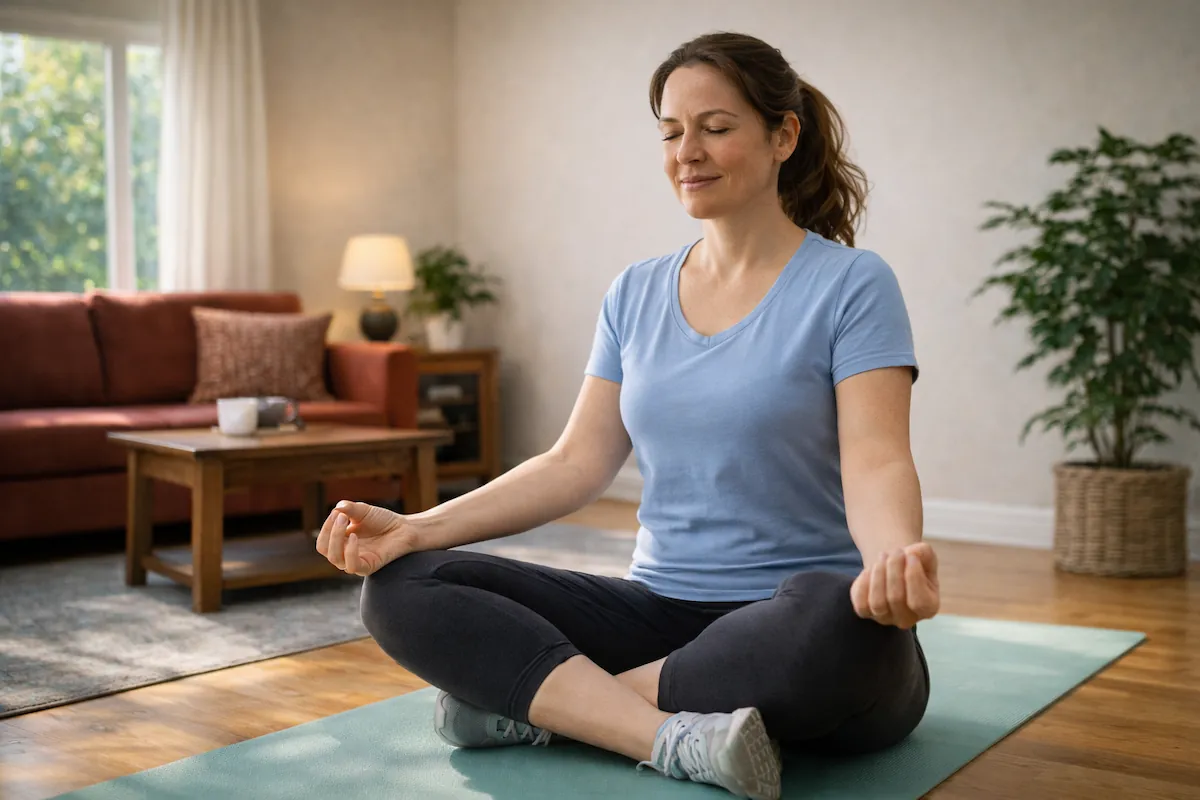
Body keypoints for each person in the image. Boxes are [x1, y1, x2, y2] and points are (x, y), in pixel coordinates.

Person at [316, 30, 938, 800]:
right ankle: (665, 736)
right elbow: (574, 462)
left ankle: (557, 709)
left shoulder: (852, 284)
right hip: (658, 611)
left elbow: (876, 458)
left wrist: (893, 561)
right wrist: (417, 527)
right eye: (672, 132)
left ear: (784, 135)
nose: (688, 152)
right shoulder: (635, 292)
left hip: (791, 621)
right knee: (405, 584)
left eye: (716, 128)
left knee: (838, 621)